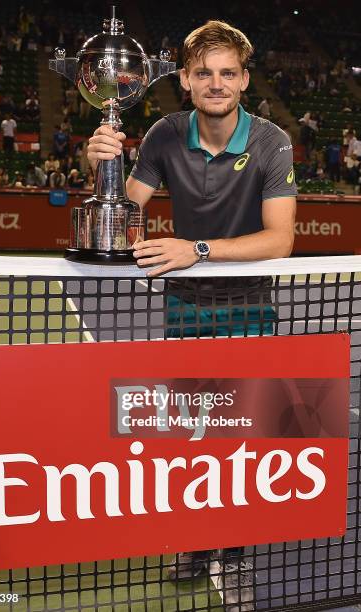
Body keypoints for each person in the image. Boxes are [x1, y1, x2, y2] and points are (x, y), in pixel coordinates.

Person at [87, 18, 296, 586]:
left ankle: (235, 534)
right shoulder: (161, 135)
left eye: (228, 73)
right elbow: (126, 217)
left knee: (245, 431)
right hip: (185, 309)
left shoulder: (272, 142)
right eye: (204, 72)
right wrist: (102, 167)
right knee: (190, 432)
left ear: (245, 81)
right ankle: (196, 539)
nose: (217, 82)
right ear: (184, 79)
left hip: (251, 308)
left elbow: (280, 240)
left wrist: (197, 249)